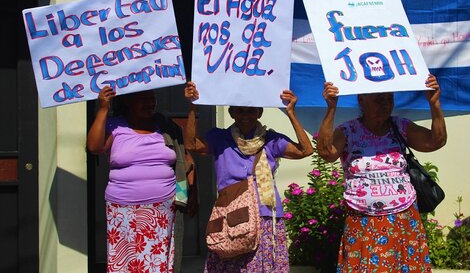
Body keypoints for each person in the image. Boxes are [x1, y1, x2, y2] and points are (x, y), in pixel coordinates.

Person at [317, 74, 447, 272]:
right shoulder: (348, 130)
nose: (385, 104)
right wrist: (331, 108)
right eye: (379, 99)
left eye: (389, 98)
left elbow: (435, 141)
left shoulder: (400, 126)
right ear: (361, 100)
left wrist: (434, 104)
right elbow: (327, 153)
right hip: (363, 221)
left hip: (403, 219)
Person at [184, 81, 314, 273]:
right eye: (241, 111)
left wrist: (291, 113)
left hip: (265, 214)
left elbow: (306, 149)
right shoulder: (220, 138)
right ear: (232, 113)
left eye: (251, 111)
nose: (246, 116)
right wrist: (193, 106)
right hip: (231, 216)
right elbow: (191, 145)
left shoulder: (270, 140)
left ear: (259, 112)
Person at [87, 86, 197, 273]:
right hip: (122, 211)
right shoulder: (115, 126)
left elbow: (186, 160)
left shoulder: (166, 126)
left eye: (152, 98)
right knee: (126, 265)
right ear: (128, 101)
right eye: (143, 98)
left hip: (162, 210)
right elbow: (94, 147)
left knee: (158, 264)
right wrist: (103, 108)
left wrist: (190, 194)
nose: (150, 103)